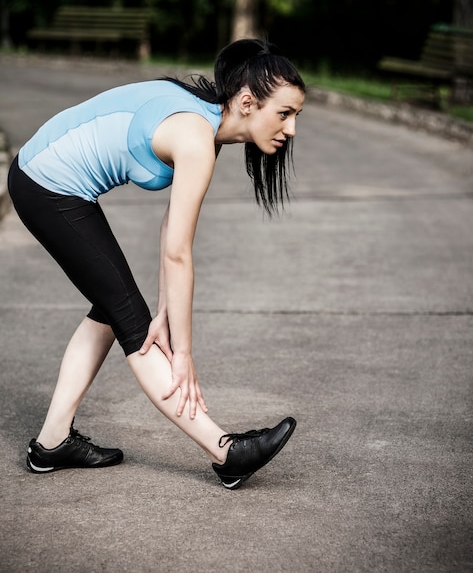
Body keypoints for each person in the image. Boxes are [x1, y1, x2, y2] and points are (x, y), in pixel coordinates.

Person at [7, 38, 305, 490]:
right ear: (247, 102)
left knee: (113, 309)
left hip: (48, 180)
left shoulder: (208, 125)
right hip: (45, 185)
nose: (292, 129)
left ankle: (52, 444)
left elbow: (173, 231)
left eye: (296, 116)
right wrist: (181, 352)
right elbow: (178, 252)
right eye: (284, 113)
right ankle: (226, 452)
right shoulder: (196, 136)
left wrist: (168, 311)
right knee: (132, 322)